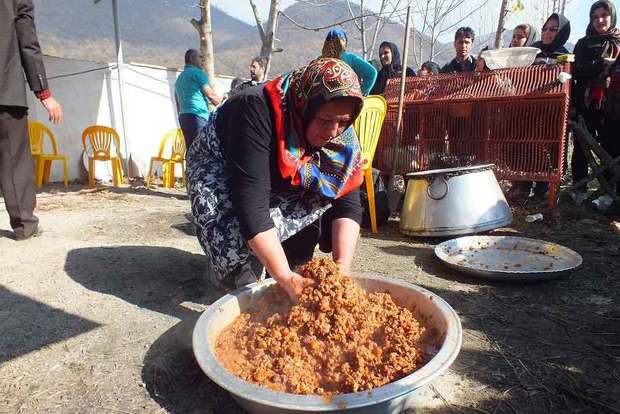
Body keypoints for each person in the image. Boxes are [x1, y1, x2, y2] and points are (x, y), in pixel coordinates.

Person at [187, 58, 365, 301]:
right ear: (305, 106)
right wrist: (286, 278)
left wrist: (341, 271)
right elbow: (251, 203)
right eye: (325, 121)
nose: (333, 131)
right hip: (222, 163)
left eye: (343, 122)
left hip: (280, 166)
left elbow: (348, 200)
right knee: (232, 239)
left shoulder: (340, 125)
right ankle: (231, 266)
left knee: (323, 189)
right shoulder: (255, 108)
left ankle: (288, 254)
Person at [1, 0, 63, 241]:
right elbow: (27, 42)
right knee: (14, 162)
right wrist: (44, 93)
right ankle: (24, 224)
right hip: (6, 91)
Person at [572, 0, 620, 206]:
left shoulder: (618, 42)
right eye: (595, 16)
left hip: (613, 106)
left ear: (612, 16)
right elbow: (577, 71)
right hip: (587, 103)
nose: (600, 20)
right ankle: (579, 189)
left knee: (612, 147)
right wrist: (601, 65)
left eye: (604, 15)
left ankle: (609, 191)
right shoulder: (583, 43)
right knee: (582, 148)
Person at [175, 49, 222, 148]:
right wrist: (223, 103)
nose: (203, 60)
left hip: (184, 118)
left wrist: (181, 116)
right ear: (191, 58)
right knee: (201, 150)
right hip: (198, 117)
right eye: (200, 57)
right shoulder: (198, 73)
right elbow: (211, 95)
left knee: (191, 149)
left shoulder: (179, 78)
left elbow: (177, 102)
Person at [320, 28, 377, 95]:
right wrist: (361, 93)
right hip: (348, 102)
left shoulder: (320, 62)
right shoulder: (349, 58)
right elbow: (371, 73)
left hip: (325, 103)